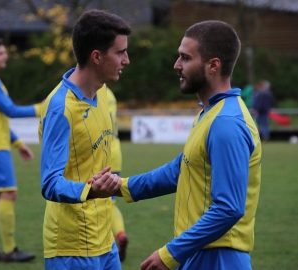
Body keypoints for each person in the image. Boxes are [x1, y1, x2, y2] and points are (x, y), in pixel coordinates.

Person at [90, 20, 262, 270]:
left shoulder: (226, 123)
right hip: (199, 251)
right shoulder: (211, 113)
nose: (177, 65)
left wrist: (171, 253)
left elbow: (229, 208)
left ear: (213, 65)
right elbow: (181, 170)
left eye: (185, 58)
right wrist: (121, 187)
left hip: (219, 258)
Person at [38, 9, 131, 270]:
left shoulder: (102, 94)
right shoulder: (61, 108)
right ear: (97, 57)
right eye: (120, 52)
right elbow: (50, 183)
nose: (127, 60)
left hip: (105, 240)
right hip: (71, 247)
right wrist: (90, 190)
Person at [0, 36, 42, 262]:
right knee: (8, 192)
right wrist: (42, 108)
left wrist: (19, 143)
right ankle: (10, 250)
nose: (5, 56)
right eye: (1, 53)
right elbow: (11, 111)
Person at [107, 87, 129, 262]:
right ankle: (119, 234)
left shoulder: (92, 93)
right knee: (110, 202)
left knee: (102, 204)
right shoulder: (110, 94)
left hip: (100, 152)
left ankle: (105, 244)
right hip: (115, 152)